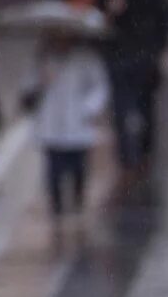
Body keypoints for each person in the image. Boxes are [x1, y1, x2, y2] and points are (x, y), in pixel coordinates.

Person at [99, 0, 168, 179]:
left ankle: (145, 152)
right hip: (118, 57)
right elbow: (97, 24)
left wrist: (156, 50)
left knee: (145, 107)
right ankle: (127, 157)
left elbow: (161, 20)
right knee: (121, 108)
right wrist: (110, 11)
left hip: (143, 57)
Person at [26, 33, 109, 220]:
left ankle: (77, 203)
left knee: (78, 169)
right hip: (51, 127)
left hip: (77, 126)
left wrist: (88, 108)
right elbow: (28, 89)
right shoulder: (43, 58)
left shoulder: (86, 57)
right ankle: (57, 211)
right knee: (53, 173)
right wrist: (41, 81)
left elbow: (99, 87)